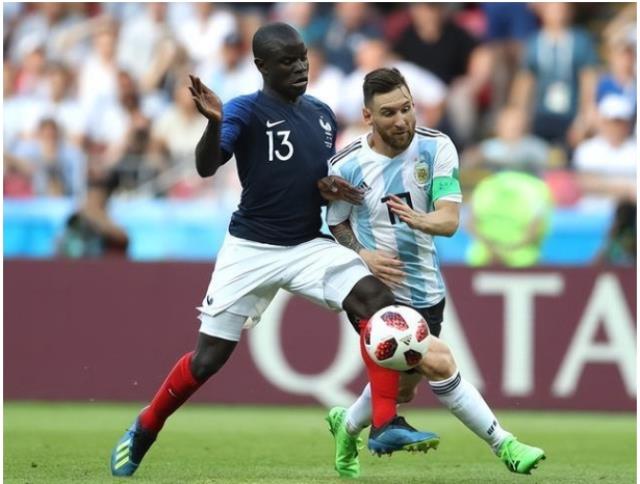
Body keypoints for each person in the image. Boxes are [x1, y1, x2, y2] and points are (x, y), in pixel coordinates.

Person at [110, 23, 435, 477]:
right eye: (287, 61)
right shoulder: (244, 110)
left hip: (305, 244)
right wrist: (215, 123)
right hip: (251, 248)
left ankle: (384, 424)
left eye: (302, 57)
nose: (300, 67)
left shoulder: (322, 115)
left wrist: (327, 187)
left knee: (377, 303)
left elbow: (309, 178)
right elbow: (206, 167)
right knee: (207, 360)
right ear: (262, 66)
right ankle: (146, 426)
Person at [324, 67, 546, 477]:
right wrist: (363, 254)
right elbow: (336, 222)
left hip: (426, 288)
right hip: (374, 289)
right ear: (368, 117)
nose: (402, 120)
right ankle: (507, 445)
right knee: (440, 362)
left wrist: (419, 219)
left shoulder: (436, 147)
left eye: (407, 108)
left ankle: (347, 424)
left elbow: (449, 220)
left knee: (404, 387)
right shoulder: (347, 164)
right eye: (389, 113)